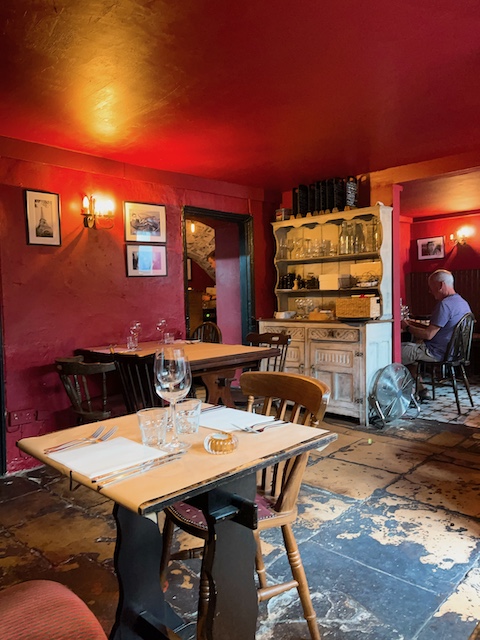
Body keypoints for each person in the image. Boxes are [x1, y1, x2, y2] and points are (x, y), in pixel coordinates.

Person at [401, 269, 471, 401]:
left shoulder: (445, 305)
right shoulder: (462, 303)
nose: (430, 291)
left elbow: (428, 335)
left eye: (431, 287)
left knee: (394, 351)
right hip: (455, 353)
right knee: (411, 349)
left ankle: (404, 395)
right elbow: (436, 329)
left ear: (440, 285)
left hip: (436, 353)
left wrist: (407, 327)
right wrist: (413, 323)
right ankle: (422, 390)